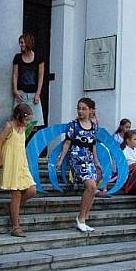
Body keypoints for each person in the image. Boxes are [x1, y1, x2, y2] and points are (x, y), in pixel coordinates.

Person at [57, 98, 101, 232]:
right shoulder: (73, 125)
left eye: (84, 108)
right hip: (77, 159)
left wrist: (96, 160)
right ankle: (80, 218)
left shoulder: (94, 126)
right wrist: (60, 159)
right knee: (91, 185)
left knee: (93, 189)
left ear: (91, 110)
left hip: (89, 160)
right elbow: (67, 143)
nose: (80, 111)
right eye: (79, 108)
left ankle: (84, 218)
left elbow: (93, 145)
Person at [0, 103, 36, 237]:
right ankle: (15, 226)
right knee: (16, 193)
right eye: (26, 119)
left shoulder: (23, 128)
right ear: (19, 116)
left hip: (22, 163)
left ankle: (12, 208)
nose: (28, 122)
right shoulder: (9, 126)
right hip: (11, 163)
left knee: (31, 190)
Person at [11, 33, 45, 127]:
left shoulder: (39, 57)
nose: (20, 45)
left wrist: (38, 93)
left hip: (34, 94)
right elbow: (15, 75)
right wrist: (15, 91)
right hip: (21, 94)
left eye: (22, 42)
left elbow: (41, 76)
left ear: (28, 43)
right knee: (18, 122)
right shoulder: (18, 58)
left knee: (35, 123)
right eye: (20, 43)